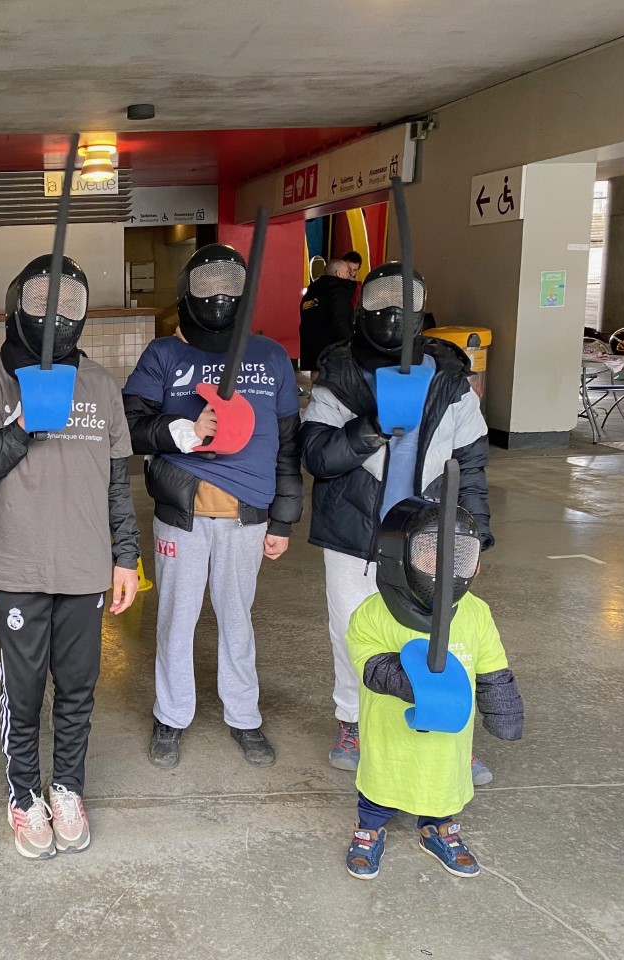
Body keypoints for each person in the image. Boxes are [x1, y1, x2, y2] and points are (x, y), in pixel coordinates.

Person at [0, 254, 140, 859]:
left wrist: (126, 557)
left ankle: (66, 788)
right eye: (42, 301)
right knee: (24, 689)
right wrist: (23, 426)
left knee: (79, 686)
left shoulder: (101, 385)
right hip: (15, 566)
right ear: (18, 305)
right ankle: (23, 794)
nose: (55, 315)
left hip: (85, 565)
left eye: (68, 304)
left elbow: (118, 484)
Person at [300, 262, 494, 778]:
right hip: (354, 535)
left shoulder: (451, 380)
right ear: (362, 307)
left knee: (436, 633)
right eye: (380, 300)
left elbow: (471, 465)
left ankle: (444, 730)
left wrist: (475, 536)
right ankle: (353, 721)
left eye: (401, 301)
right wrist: (373, 427)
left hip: (430, 534)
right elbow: (317, 456)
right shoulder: (339, 375)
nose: (390, 311)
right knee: (353, 632)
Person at [125, 243, 302, 769]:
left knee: (236, 619)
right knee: (176, 620)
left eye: (230, 287)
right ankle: (171, 714)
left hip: (247, 518)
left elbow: (288, 444)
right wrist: (182, 428)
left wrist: (283, 518)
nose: (220, 294)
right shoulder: (164, 355)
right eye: (209, 286)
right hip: (181, 515)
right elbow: (130, 427)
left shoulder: (271, 357)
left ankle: (244, 717)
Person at [344, 496, 523, 880]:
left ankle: (437, 829)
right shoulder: (373, 614)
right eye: (428, 551)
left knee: (443, 784)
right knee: (380, 784)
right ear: (398, 555)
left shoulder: (476, 612)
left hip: (449, 739)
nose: (444, 565)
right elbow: (372, 666)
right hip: (390, 735)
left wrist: (503, 708)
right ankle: (369, 829)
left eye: (457, 554)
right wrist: (424, 686)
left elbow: (493, 666)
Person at [299, 258, 357, 379]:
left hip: (311, 345)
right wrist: (350, 343)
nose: (350, 275)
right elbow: (339, 321)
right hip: (332, 349)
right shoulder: (338, 292)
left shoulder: (311, 291)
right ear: (338, 273)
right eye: (347, 271)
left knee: (316, 377)